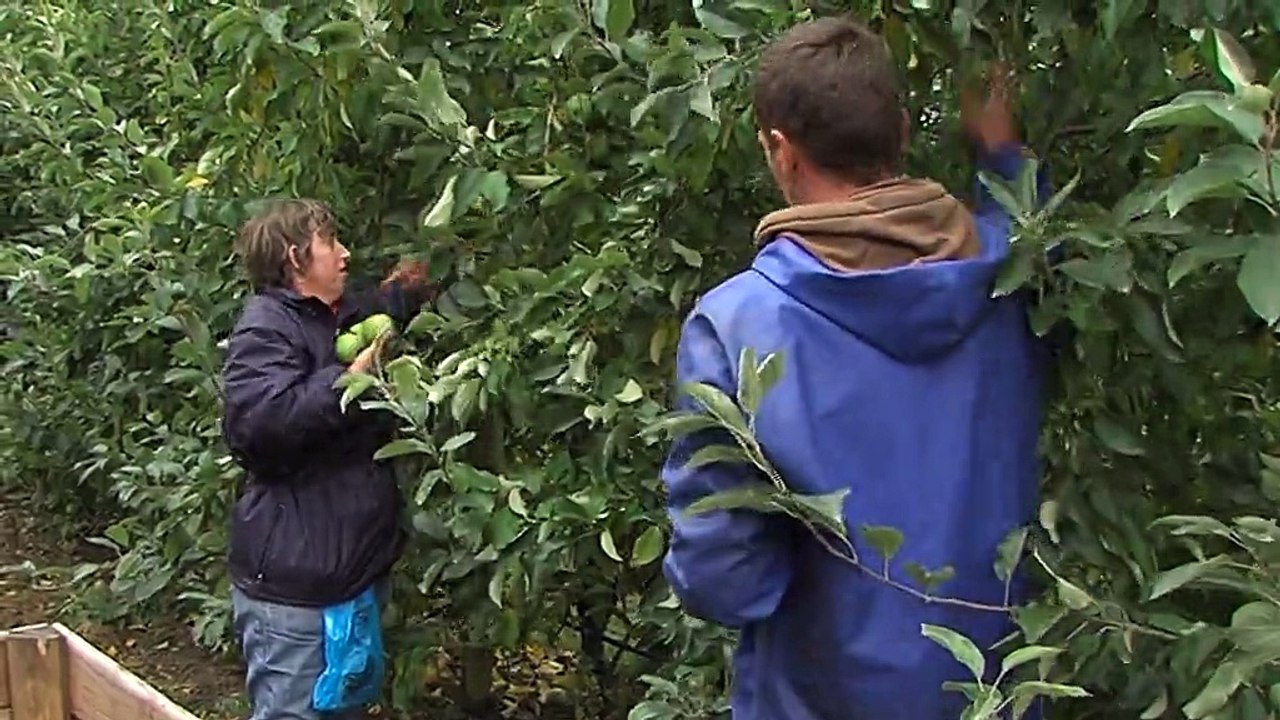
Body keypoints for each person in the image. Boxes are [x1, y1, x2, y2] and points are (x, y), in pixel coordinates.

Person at [660, 16, 1051, 720]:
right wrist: (1004, 154)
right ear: (901, 130)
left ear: (781, 151)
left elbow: (725, 582)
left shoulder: (737, 326)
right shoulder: (1011, 275)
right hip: (993, 695)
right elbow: (1029, 220)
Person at [220, 198, 434, 720]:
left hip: (346, 578)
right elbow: (258, 428)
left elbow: (371, 310)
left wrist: (409, 287)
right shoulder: (265, 328)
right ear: (295, 258)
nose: (344, 253)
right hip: (297, 596)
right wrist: (348, 383)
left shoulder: (331, 317)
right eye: (329, 243)